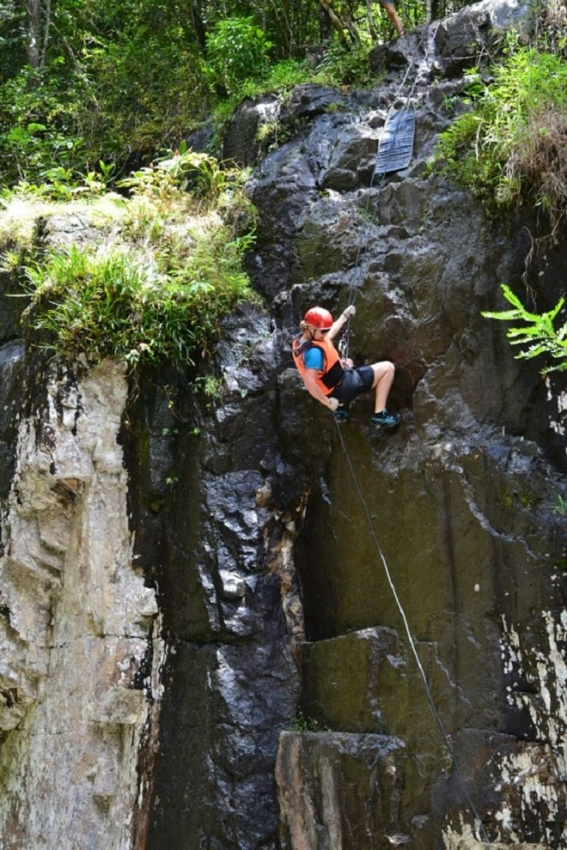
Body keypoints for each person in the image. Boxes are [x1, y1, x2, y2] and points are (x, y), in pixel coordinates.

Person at [291, 305, 401, 430]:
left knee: (347, 361)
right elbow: (310, 384)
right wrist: (328, 403)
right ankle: (379, 415)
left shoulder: (301, 341)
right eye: (323, 331)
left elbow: (330, 334)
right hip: (342, 389)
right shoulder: (314, 354)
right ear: (310, 328)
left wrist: (344, 316)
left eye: (326, 330)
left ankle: (342, 409)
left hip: (331, 388)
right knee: (388, 368)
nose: (325, 333)